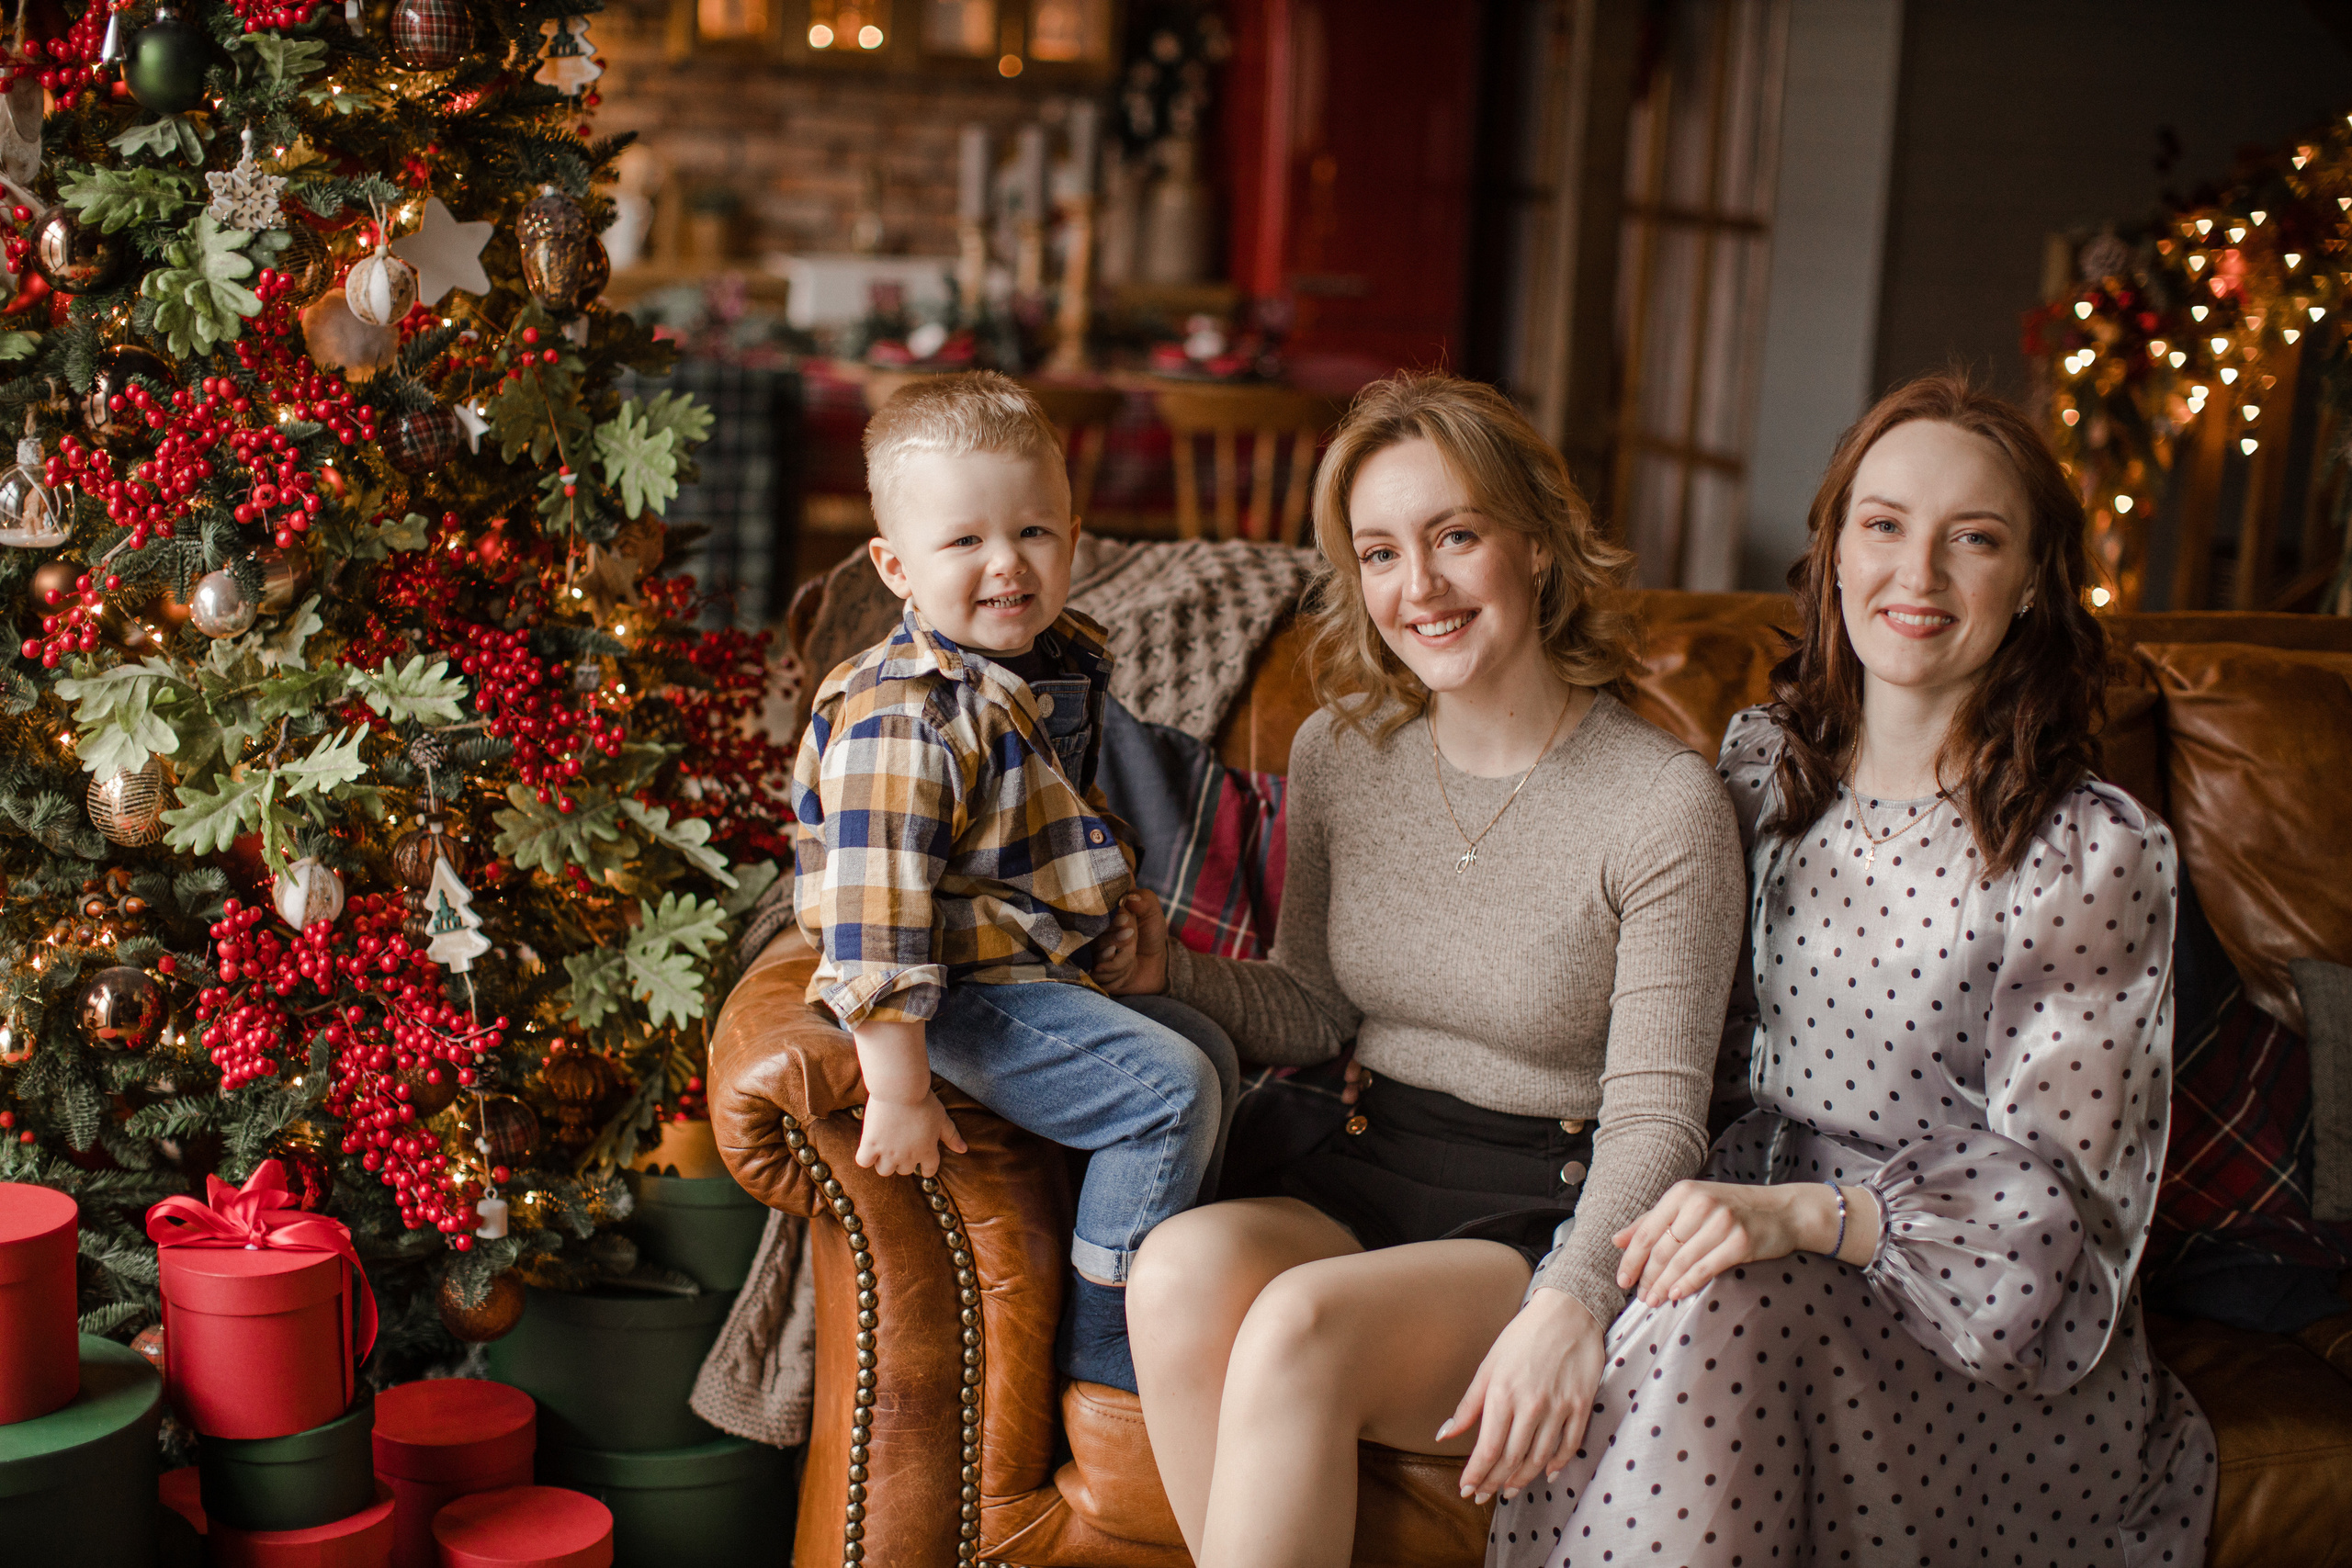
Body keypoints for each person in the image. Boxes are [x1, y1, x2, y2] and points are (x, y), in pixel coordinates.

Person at [1487, 371, 2215, 1565]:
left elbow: (2071, 1226)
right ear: (1832, 551)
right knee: (1698, 1302)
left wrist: (1806, 1217)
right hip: (1723, 1250)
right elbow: (1656, 1034)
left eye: (1972, 539)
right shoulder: (1758, 769)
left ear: (2031, 580)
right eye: (1884, 525)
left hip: (1971, 1343)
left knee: (1720, 1311)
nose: (1917, 576)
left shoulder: (2090, 852)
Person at [1091, 372, 1746, 1568]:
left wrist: (1574, 1299)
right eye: (1381, 551)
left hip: (1542, 1201)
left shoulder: (1663, 802)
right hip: (1365, 1156)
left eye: (1455, 536)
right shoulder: (1340, 751)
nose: (1420, 588)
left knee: (1298, 1325)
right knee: (1177, 1269)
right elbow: (1313, 1001)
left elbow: (1661, 1113)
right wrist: (1167, 972)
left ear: (1538, 546)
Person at [787, 371, 1238, 1393]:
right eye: (964, 543)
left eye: (1034, 533)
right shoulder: (906, 716)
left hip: (1019, 963)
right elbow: (876, 917)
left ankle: (1180, 1275)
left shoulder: (1043, 667)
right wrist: (896, 1088)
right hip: (949, 994)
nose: (1007, 565)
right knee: (1168, 1092)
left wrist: (1106, 930)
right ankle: (1108, 1351)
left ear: (1074, 539)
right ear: (895, 567)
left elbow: (1038, 840)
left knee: (1209, 1044)